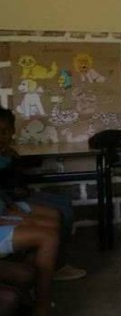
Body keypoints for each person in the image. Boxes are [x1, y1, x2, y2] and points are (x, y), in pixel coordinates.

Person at [0, 107, 85, 282]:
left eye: (6, 132)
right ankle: (54, 265)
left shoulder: (8, 153)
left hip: (18, 195)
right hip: (10, 199)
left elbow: (18, 177)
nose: (3, 137)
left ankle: (51, 261)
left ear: (13, 131)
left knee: (64, 202)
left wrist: (14, 160)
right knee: (61, 210)